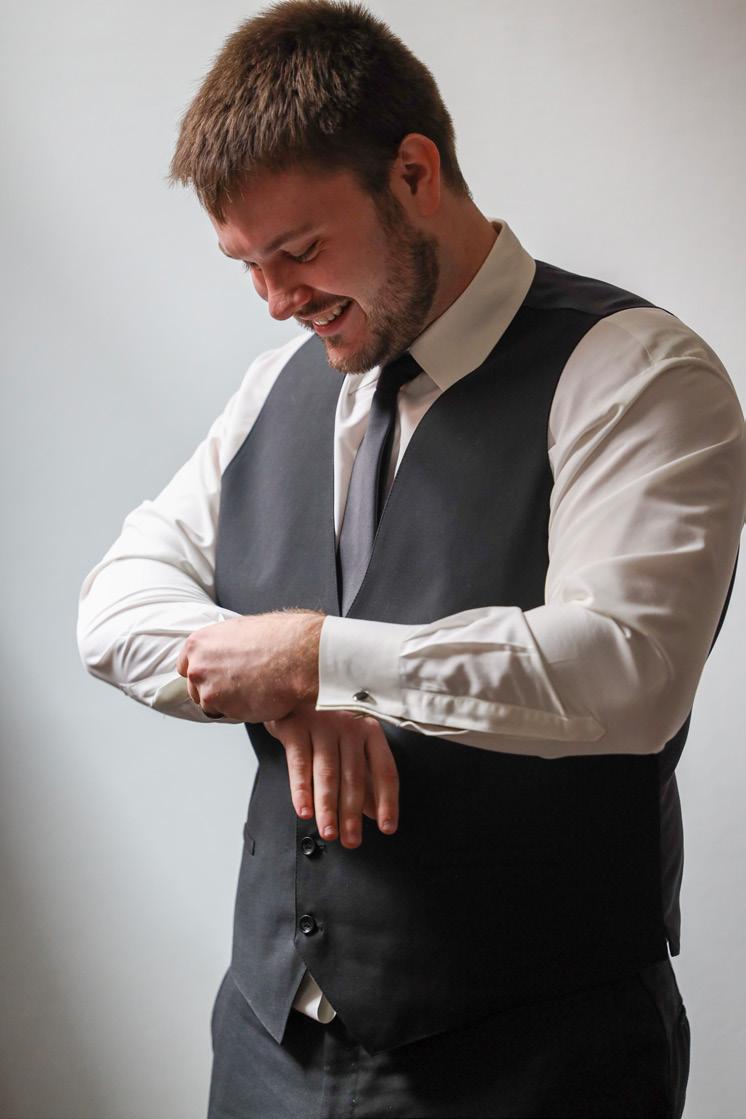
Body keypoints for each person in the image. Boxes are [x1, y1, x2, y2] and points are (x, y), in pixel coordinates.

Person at [76, 1, 745, 1116]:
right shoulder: (274, 390)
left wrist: (320, 657)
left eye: (299, 251)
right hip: (266, 1048)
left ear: (415, 173)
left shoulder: (635, 373)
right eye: (247, 265)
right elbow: (113, 605)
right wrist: (290, 687)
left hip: (536, 1060)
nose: (276, 301)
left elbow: (628, 668)